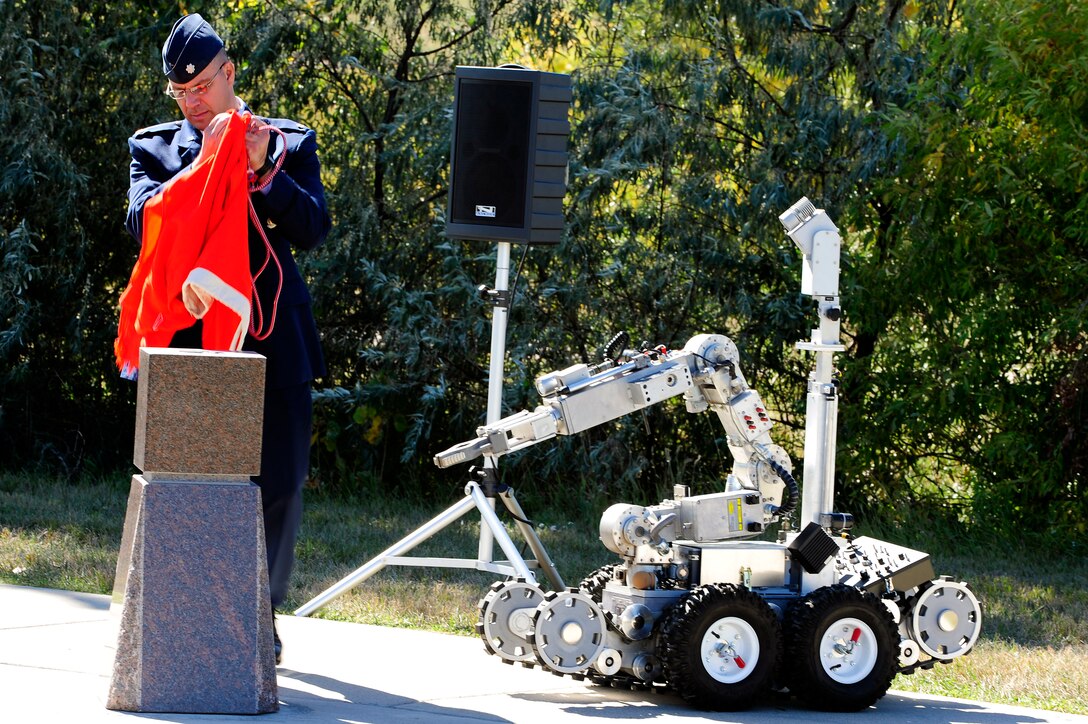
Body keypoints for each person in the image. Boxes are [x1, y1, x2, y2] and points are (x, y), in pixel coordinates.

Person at [124, 13, 330, 664]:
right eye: (180, 94)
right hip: (191, 339)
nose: (192, 102)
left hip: (273, 335)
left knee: (280, 483)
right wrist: (205, 170)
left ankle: (257, 614)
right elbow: (140, 220)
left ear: (229, 73)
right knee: (185, 481)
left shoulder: (288, 141)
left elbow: (315, 228)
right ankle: (183, 616)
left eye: (202, 88)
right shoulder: (154, 147)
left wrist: (265, 168)